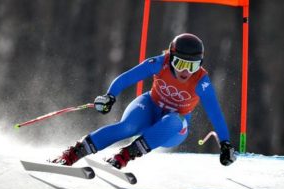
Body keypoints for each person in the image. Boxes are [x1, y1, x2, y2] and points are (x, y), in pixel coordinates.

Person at [52, 33, 237, 169]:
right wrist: (110, 96)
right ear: (171, 58)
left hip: (173, 128)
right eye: (180, 63)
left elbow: (215, 113)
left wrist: (225, 143)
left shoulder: (201, 81)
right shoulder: (159, 63)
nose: (186, 71)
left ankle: (125, 155)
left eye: (193, 65)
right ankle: (74, 153)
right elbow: (126, 78)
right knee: (127, 127)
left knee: (174, 120)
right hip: (150, 106)